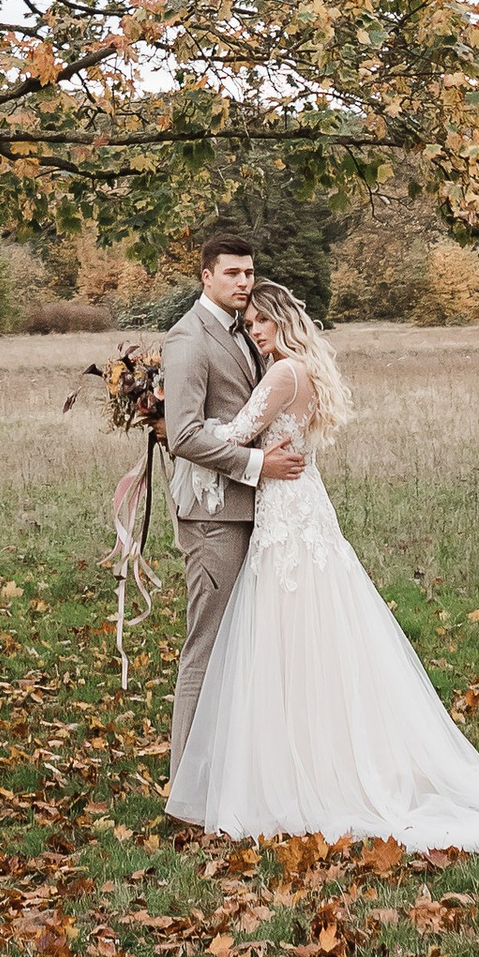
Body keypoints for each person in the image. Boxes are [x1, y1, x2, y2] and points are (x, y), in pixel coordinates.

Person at [166, 280, 479, 867]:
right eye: (250, 323)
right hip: (299, 508)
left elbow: (228, 436)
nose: (254, 331)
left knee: (286, 638)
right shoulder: (306, 369)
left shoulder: (282, 375)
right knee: (308, 641)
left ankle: (294, 771)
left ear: (282, 320)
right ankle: (300, 754)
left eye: (261, 321)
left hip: (287, 519)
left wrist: (164, 422)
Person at [161, 230, 306, 781]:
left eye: (249, 273)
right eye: (232, 274)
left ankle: (233, 771)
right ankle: (187, 786)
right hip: (212, 514)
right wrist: (256, 467)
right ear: (207, 276)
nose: (244, 283)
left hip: (259, 513)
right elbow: (185, 434)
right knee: (208, 643)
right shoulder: (189, 338)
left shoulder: (248, 332)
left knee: (245, 643)